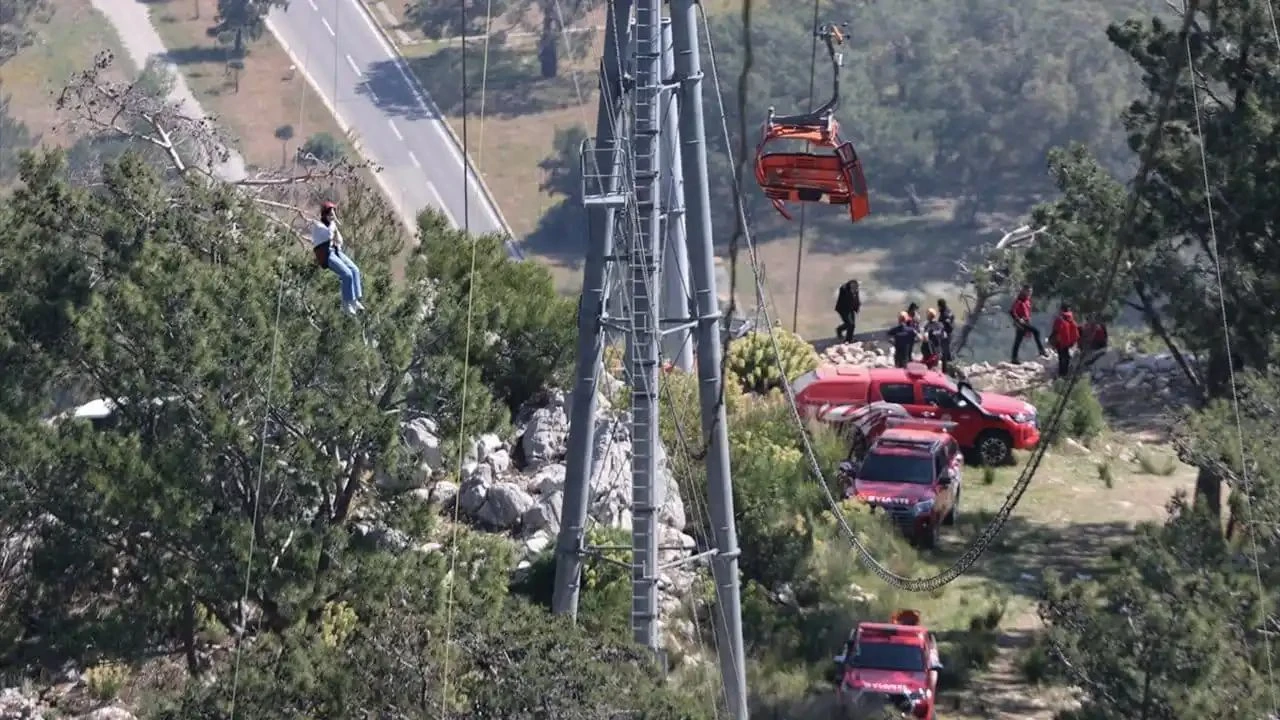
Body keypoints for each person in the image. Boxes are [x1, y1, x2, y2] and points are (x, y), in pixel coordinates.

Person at [312, 201, 365, 315]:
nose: (332, 216)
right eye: (330, 213)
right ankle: (346, 304)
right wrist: (334, 224)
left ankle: (355, 301)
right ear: (324, 214)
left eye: (333, 213)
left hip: (336, 251)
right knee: (347, 274)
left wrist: (335, 228)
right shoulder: (318, 226)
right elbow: (328, 235)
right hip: (326, 254)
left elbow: (340, 240)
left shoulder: (332, 225)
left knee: (355, 270)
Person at [1009, 285, 1045, 363]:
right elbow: (1012, 311)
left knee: (1018, 340)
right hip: (1022, 322)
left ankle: (1014, 358)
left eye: (1031, 291)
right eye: (1028, 291)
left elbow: (1027, 311)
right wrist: (1018, 320)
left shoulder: (1027, 300)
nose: (1030, 293)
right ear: (1024, 291)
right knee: (1036, 332)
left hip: (1026, 321)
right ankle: (1041, 351)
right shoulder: (1019, 300)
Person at [1049, 302, 1080, 378]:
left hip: (1060, 341)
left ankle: (1061, 374)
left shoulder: (1060, 318)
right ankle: (1065, 373)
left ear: (1061, 309)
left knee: (1061, 357)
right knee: (1066, 356)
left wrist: (1051, 339)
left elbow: (1056, 330)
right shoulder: (1071, 318)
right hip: (1068, 341)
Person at [936, 299, 956, 373]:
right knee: (947, 352)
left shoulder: (944, 314)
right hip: (949, 335)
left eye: (938, 306)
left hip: (945, 335)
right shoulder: (949, 310)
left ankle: (945, 371)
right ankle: (950, 368)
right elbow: (953, 318)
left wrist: (943, 330)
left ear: (940, 306)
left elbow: (948, 325)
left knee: (944, 353)